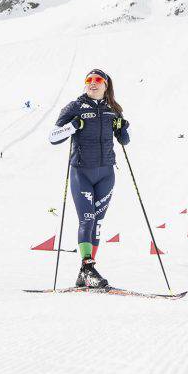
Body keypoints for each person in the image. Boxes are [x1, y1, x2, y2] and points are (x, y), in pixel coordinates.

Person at [48, 69, 130, 288]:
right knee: (87, 219)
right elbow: (53, 137)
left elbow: (125, 140)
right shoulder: (75, 107)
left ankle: (86, 273)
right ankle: (87, 267)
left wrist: (123, 130)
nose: (92, 84)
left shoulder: (113, 109)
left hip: (106, 174)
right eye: (88, 80)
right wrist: (72, 126)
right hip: (81, 172)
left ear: (106, 85)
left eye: (97, 80)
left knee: (98, 223)